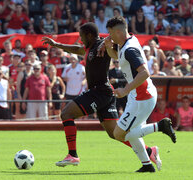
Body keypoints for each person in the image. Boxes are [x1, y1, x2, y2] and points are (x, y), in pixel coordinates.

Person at [42, 22, 163, 171]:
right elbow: (79, 49)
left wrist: (107, 45)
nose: (80, 39)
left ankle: (72, 155)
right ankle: (150, 151)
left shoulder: (101, 44)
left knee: (66, 113)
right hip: (104, 93)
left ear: (90, 35)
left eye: (82, 36)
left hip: (100, 92)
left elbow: (113, 46)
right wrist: (57, 45)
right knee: (115, 133)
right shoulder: (89, 47)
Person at [105, 16, 176, 172]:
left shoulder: (130, 49)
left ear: (118, 32)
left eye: (110, 33)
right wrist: (110, 48)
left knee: (119, 134)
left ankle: (160, 126)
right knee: (131, 131)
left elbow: (145, 73)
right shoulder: (126, 42)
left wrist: (125, 89)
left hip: (142, 96)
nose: (109, 36)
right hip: (137, 95)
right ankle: (147, 165)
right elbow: (120, 57)